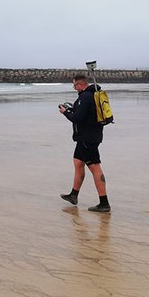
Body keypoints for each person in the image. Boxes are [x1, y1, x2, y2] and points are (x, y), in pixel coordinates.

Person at [58, 74, 111, 212]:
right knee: (78, 162)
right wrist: (72, 109)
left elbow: (78, 118)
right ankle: (73, 195)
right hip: (88, 137)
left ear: (80, 84)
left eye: (74, 85)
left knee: (95, 168)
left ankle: (104, 203)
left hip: (87, 138)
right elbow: (84, 114)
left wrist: (65, 112)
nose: (74, 88)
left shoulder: (85, 97)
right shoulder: (93, 95)